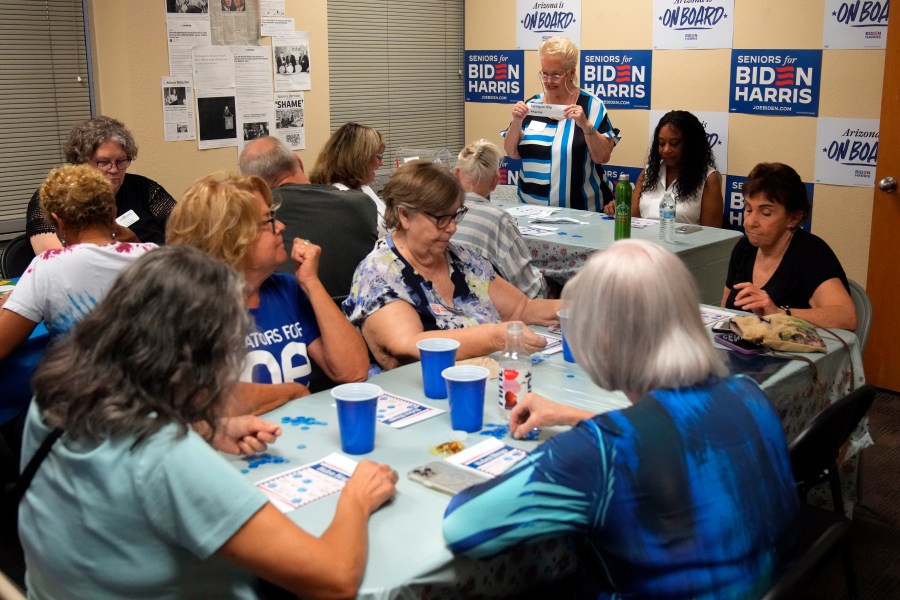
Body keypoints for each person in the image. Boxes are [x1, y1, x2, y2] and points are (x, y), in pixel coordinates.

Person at [19, 245, 397, 599]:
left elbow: (116, 466)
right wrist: (356, 499)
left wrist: (207, 429)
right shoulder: (166, 457)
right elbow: (334, 579)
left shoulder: (58, 395)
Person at [443, 239, 800, 599]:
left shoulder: (601, 450)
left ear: (603, 339)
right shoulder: (749, 395)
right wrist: (580, 416)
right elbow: (673, 432)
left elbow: (464, 526)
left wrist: (588, 433)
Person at [167, 173, 369, 413]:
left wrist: (312, 283)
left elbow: (353, 371)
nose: (281, 226)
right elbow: (208, 404)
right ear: (232, 237)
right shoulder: (189, 308)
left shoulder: (286, 288)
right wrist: (291, 392)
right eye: (268, 220)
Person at [342, 160, 559, 371]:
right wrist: (494, 337)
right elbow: (408, 343)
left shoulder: (462, 259)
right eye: (441, 218)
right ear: (405, 215)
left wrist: (580, 310)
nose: (453, 227)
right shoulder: (380, 272)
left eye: (456, 215)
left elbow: (521, 308)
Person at [0, 165, 156, 362]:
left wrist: (7, 307)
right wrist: (133, 238)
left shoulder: (48, 267)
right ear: (113, 214)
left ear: (59, 222)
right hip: (152, 388)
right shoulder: (156, 257)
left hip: (79, 387)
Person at [239, 136, 377, 303]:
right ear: (299, 161)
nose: (279, 227)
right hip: (361, 313)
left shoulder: (251, 219)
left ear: (255, 183)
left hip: (294, 317)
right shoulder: (361, 203)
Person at [722, 162, 856, 330]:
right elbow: (725, 312)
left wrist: (780, 313)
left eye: (766, 213)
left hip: (797, 353)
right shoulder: (744, 247)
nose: (750, 222)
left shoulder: (810, 252)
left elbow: (847, 317)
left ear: (794, 218)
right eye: (748, 209)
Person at [26, 116, 175, 253]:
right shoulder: (55, 196)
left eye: (121, 161)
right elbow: (53, 257)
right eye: (104, 162)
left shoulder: (145, 189)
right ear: (81, 162)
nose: (114, 169)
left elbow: (185, 229)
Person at [504, 36, 620, 212]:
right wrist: (517, 121)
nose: (549, 81)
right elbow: (511, 152)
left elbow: (602, 157)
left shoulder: (591, 105)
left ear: (572, 72)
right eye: (544, 73)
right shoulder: (532, 105)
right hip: (532, 214)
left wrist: (586, 126)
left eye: (556, 75)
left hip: (583, 214)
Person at [453, 139, 547, 299]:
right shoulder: (498, 219)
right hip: (486, 305)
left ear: (456, 174)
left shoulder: (437, 213)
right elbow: (529, 289)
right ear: (496, 181)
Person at [606, 110, 724, 227]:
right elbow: (634, 219)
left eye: (674, 143)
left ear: (691, 145)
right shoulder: (649, 171)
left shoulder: (708, 178)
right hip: (645, 243)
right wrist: (618, 208)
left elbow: (712, 235)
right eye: (661, 143)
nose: (666, 149)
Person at [309, 122, 388, 237]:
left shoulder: (361, 187)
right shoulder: (342, 199)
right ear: (360, 159)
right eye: (379, 157)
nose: (381, 163)